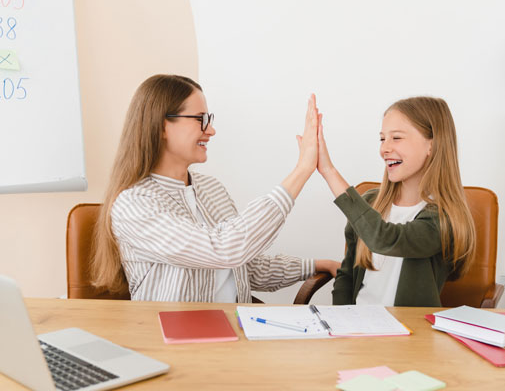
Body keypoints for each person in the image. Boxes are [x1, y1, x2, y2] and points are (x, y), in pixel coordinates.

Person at [91, 74, 339, 302]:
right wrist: (302, 170)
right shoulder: (134, 204)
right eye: (201, 119)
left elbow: (243, 268)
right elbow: (223, 249)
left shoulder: (212, 189)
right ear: (162, 126)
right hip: (171, 343)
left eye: (209, 119)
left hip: (234, 331)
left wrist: (314, 264)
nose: (211, 130)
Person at [316, 96, 476, 307]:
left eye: (397, 138)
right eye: (382, 139)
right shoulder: (371, 202)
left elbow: (384, 239)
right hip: (358, 329)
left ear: (432, 145)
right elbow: (347, 275)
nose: (384, 149)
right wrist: (341, 320)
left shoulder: (445, 217)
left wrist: (328, 171)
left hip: (408, 335)